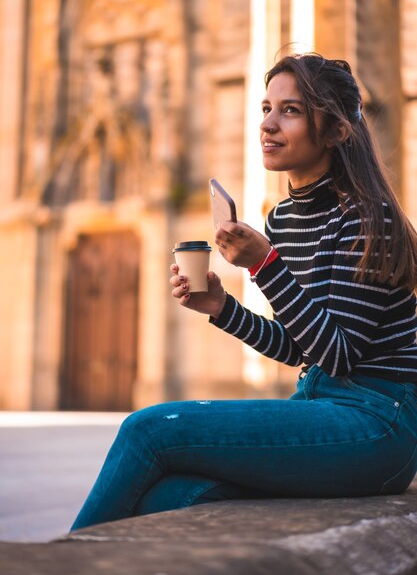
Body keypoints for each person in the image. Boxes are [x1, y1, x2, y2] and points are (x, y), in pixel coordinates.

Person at [71, 53, 417, 531]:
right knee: (169, 495)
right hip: (320, 407)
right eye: (265, 108)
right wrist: (222, 308)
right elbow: (302, 346)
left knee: (147, 429)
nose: (268, 125)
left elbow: (338, 354)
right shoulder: (282, 219)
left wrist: (262, 263)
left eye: (291, 111)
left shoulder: (366, 215)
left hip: (379, 423)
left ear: (337, 131)